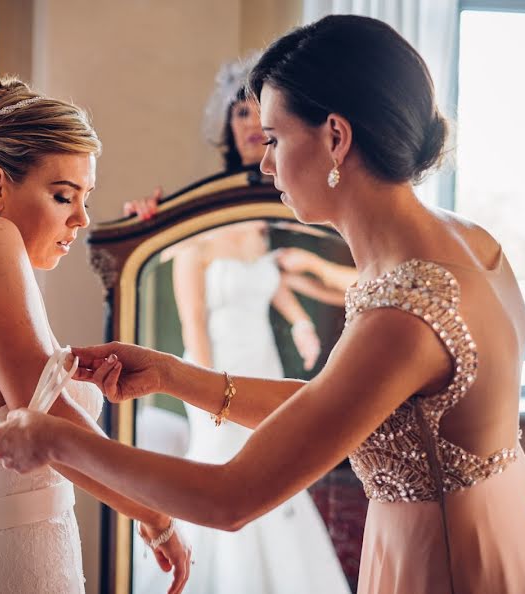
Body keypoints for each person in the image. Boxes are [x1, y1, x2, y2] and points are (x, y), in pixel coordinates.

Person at [0, 16, 525, 594]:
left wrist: (57, 440)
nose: (263, 161)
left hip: (450, 562)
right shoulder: (467, 241)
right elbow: (340, 405)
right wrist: (175, 375)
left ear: (336, 137)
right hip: (506, 528)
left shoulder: (406, 314)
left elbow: (230, 499)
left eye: (275, 138)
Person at [0, 75, 190, 594]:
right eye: (62, 196)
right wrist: (154, 513)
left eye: (85, 198)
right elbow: (43, 416)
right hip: (5, 567)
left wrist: (72, 375)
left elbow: (3, 408)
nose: (81, 219)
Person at [128, 55, 348, 594]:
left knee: (276, 472)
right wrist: (201, 392)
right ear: (227, 126)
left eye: (263, 117)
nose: (252, 127)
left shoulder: (268, 214)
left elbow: (269, 278)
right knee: (223, 475)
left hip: (262, 362)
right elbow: (194, 321)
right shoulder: (202, 219)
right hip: (215, 365)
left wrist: (297, 318)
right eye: (242, 114)